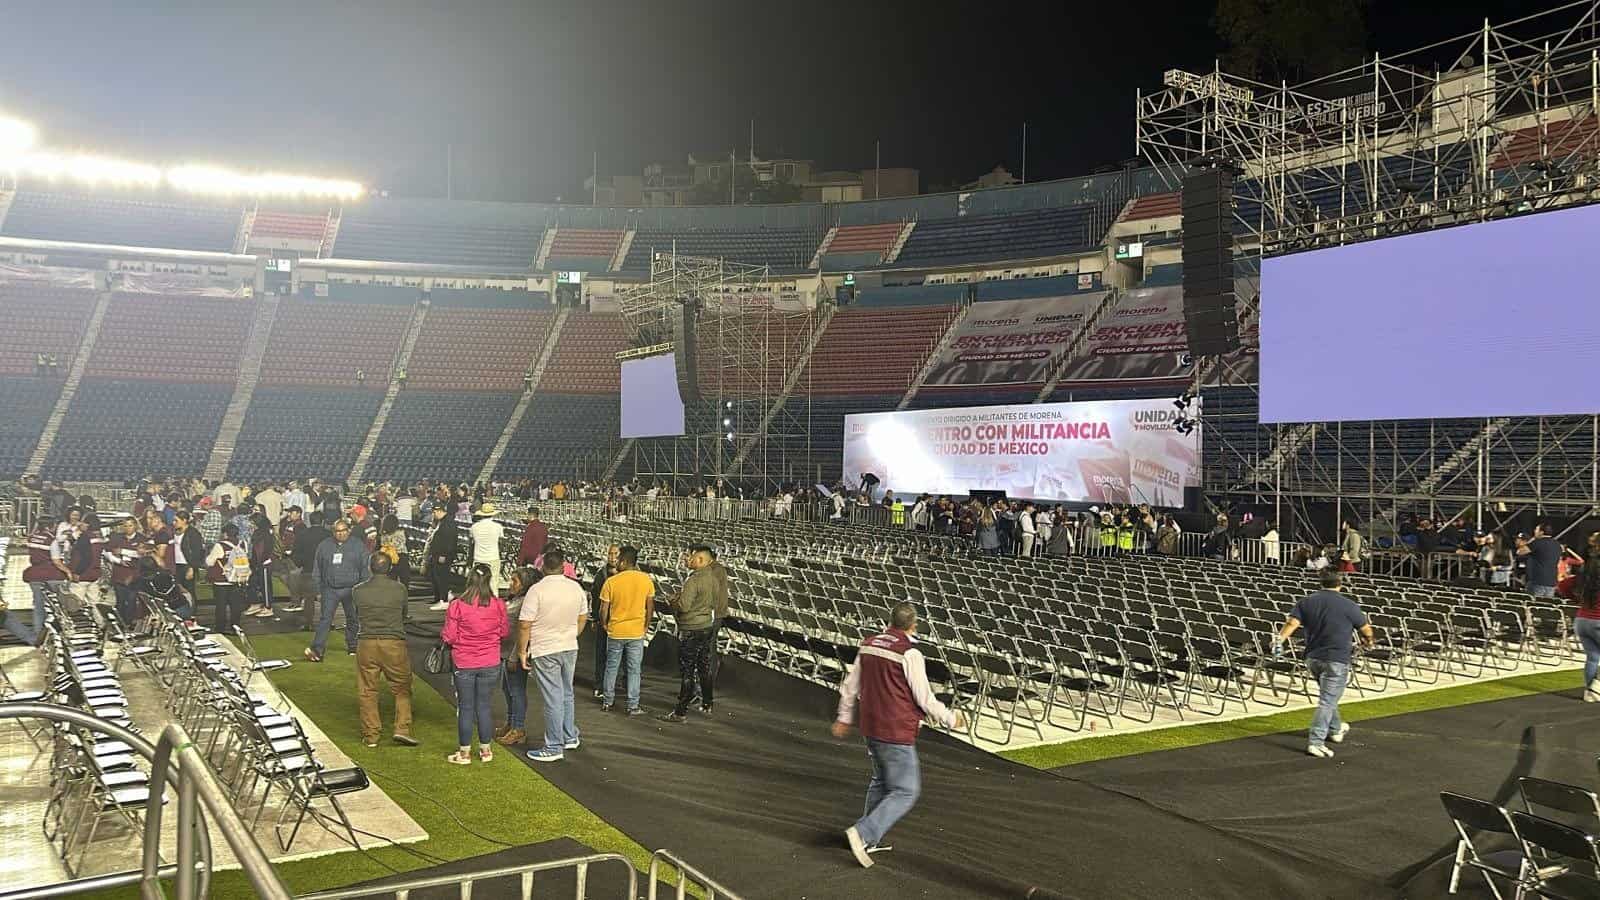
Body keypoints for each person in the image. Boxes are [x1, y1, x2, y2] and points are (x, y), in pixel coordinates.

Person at [832, 602, 965, 868]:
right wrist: (951, 718)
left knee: (881, 780)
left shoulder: (869, 644)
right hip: (895, 729)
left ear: (890, 621)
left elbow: (850, 686)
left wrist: (844, 717)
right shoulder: (910, 653)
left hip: (871, 726)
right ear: (913, 626)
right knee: (906, 789)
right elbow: (924, 698)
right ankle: (864, 832)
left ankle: (869, 838)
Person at [1274, 569, 1375, 758]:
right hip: (1336, 658)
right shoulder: (1349, 605)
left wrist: (1279, 640)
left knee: (1328, 696)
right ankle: (1316, 741)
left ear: (1321, 583)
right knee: (1327, 700)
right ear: (1340, 584)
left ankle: (1336, 730)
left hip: (1313, 657)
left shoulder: (1306, 602)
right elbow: (1366, 629)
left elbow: (1291, 623)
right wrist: (1368, 642)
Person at [516, 550, 588, 761]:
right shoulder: (576, 587)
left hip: (546, 648)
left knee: (553, 698)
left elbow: (524, 624)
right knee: (566, 693)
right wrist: (572, 634)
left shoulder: (537, 590)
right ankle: (569, 736)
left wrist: (521, 651)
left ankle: (554, 746)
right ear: (563, 566)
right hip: (569, 646)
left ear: (543, 566)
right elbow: (582, 617)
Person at [441, 564, 508, 765]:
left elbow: (450, 636)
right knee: (484, 706)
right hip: (490, 662)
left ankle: (464, 754)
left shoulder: (458, 605)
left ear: (469, 579)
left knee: (466, 707)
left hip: (464, 662)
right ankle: (486, 751)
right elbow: (504, 632)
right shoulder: (498, 604)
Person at [354, 551, 419, 748]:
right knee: (402, 688)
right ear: (390, 568)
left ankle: (371, 735)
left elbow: (357, 613)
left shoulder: (358, 590)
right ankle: (402, 728)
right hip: (393, 644)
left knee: (367, 690)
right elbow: (404, 613)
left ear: (369, 567)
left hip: (366, 643)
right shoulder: (400, 589)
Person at [660, 546, 720, 724]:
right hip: (706, 626)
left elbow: (685, 606)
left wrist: (674, 601)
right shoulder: (714, 579)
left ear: (700, 560)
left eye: (691, 557)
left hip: (691, 628)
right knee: (704, 665)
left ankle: (680, 711)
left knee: (687, 669)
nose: (688, 560)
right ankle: (707, 702)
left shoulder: (693, 580)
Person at [599, 546, 654, 715]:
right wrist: (646, 626)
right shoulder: (646, 580)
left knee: (611, 667)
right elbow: (650, 607)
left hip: (616, 631)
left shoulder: (611, 582)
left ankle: (608, 701)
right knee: (634, 670)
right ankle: (633, 705)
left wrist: (604, 624)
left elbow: (603, 609)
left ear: (623, 561)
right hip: (636, 632)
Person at [306, 518, 371, 662]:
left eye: (343, 530)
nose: (341, 534)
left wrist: (361, 588)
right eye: (337, 531)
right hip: (330, 589)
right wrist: (318, 589)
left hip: (352, 589)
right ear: (333, 532)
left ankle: (353, 646)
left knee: (353, 619)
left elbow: (365, 568)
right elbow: (317, 568)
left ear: (348, 530)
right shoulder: (324, 546)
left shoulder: (358, 545)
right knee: (325, 620)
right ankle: (317, 650)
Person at [496, 567, 537, 747]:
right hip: (505, 652)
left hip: (515, 653)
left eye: (515, 581)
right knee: (507, 689)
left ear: (525, 584)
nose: (511, 584)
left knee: (516, 690)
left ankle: (518, 728)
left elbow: (524, 632)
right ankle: (511, 723)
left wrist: (515, 656)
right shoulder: (516, 600)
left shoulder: (525, 604)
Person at [206, 523, 251, 635]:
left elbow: (209, 561)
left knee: (221, 605)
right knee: (236, 605)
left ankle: (220, 627)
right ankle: (235, 626)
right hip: (238, 578)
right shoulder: (243, 544)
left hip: (221, 579)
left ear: (225, 533)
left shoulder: (220, 545)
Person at [587, 545, 620, 699]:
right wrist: (595, 617)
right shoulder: (602, 574)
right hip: (604, 620)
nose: (612, 557)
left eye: (616, 554)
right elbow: (595, 598)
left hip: (620, 620)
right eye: (610, 554)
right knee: (602, 653)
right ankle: (600, 685)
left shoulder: (628, 575)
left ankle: (616, 685)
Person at [424, 503, 459, 612]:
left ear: (440, 511)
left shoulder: (448, 523)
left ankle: (444, 600)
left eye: (434, 512)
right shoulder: (442, 522)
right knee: (436, 576)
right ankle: (440, 597)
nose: (433, 514)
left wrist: (444, 554)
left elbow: (449, 541)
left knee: (442, 577)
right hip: (437, 554)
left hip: (443, 555)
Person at [1518, 522, 1562, 598]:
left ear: (1541, 532)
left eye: (1536, 529)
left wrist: (1533, 539)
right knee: (1545, 606)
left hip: (1537, 581)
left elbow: (1519, 552)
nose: (1534, 531)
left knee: (1533, 605)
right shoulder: (1557, 544)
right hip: (1551, 582)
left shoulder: (1537, 542)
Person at [470, 503, 506, 594]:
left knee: (477, 583)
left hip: (478, 557)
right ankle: (494, 603)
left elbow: (472, 542)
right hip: (493, 556)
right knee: (493, 583)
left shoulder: (474, 527)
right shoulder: (498, 527)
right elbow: (500, 541)